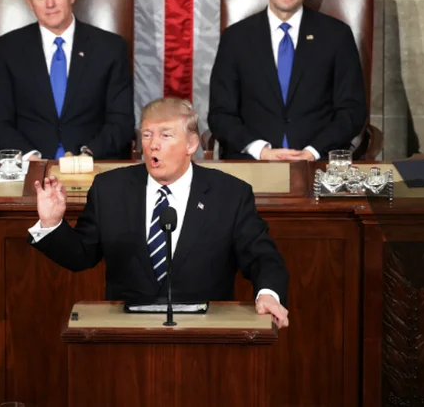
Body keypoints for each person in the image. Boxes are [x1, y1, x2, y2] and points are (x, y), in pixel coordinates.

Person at [27, 97, 290, 328]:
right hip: (126, 335)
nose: (153, 145)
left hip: (206, 334)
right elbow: (81, 255)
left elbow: (262, 257)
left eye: (165, 135)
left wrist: (268, 294)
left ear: (191, 144)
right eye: (147, 135)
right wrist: (51, 224)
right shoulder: (110, 189)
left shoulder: (230, 194)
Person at [208, 0, 367, 161]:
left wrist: (312, 152)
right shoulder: (236, 38)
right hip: (253, 162)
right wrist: (259, 150)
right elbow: (220, 114)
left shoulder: (336, 36)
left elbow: (352, 111)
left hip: (317, 162)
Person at [0, 0, 135, 160]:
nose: (50, 4)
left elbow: (121, 121)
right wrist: (30, 156)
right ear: (30, 2)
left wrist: (88, 154)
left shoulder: (110, 48)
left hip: (91, 165)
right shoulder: (7, 50)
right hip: (30, 166)